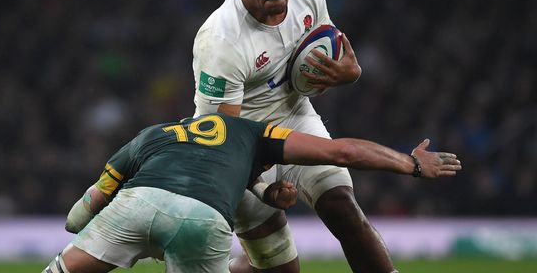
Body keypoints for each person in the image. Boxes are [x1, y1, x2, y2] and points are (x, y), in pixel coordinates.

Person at [191, 0, 391, 272]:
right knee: (278, 266)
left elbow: (335, 53)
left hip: (294, 116)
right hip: (240, 144)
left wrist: (349, 73)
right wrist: (265, 189)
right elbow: (223, 137)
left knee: (342, 207)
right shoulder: (221, 41)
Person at [42, 113, 461, 272]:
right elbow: (342, 151)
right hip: (203, 220)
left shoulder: (152, 135)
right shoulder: (253, 133)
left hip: (136, 203)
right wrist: (409, 163)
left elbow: (88, 205)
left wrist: (77, 226)